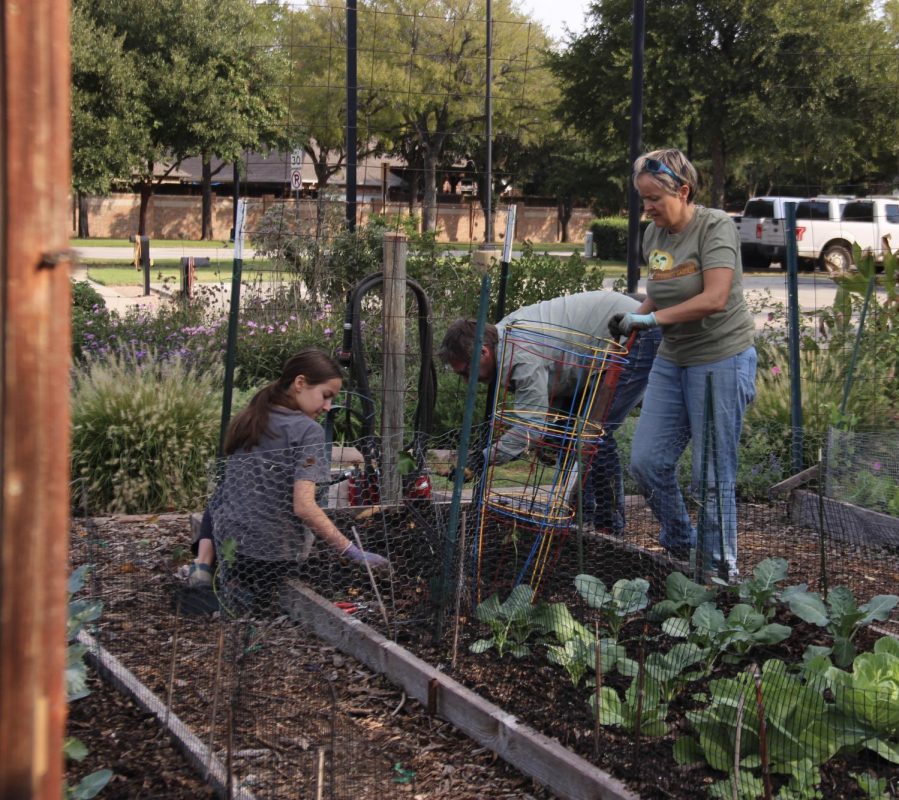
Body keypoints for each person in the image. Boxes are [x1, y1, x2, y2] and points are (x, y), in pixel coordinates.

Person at [614, 149, 758, 578]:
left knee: (711, 472)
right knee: (646, 461)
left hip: (721, 359)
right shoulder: (653, 236)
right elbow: (662, 286)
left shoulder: (714, 227)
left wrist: (650, 319)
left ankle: (718, 572)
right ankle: (681, 540)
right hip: (673, 358)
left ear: (683, 190)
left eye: (655, 198)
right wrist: (635, 322)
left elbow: (714, 298)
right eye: (643, 200)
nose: (649, 208)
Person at [437, 291, 661, 536]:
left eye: (466, 372)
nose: (468, 380)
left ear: (483, 352)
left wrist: (482, 459)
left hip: (631, 329)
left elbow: (530, 426)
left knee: (594, 435)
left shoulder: (521, 355)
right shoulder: (506, 344)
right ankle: (580, 520)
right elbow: (546, 415)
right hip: (596, 349)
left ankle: (609, 526)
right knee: (569, 435)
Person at [182, 349, 389, 598]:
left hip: (232, 552)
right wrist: (351, 550)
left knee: (223, 491)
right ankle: (245, 592)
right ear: (300, 383)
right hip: (275, 559)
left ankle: (205, 566)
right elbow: (303, 506)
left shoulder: (249, 418)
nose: (327, 407)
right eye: (325, 396)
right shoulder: (307, 431)